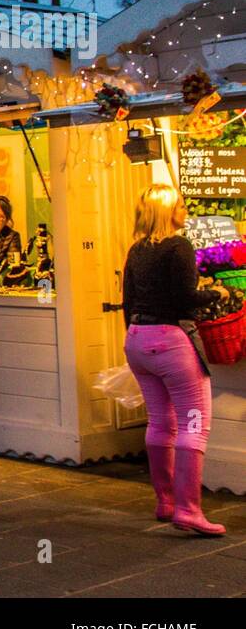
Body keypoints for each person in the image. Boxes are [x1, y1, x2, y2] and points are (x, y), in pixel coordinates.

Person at [122, 184, 228, 536]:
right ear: (168, 210)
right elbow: (185, 297)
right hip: (172, 344)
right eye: (180, 204)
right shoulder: (178, 246)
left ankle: (165, 501)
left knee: (160, 422)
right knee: (194, 426)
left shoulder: (137, 249)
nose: (185, 209)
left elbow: (128, 300)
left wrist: (137, 335)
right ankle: (188, 510)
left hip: (138, 341)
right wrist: (217, 292)